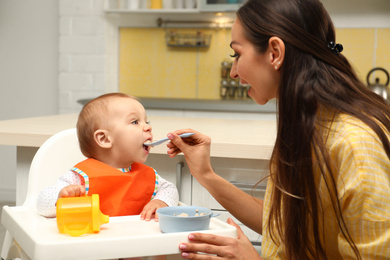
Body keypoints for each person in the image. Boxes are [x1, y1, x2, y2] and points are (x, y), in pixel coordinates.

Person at [166, 0, 390, 259]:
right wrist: (205, 174)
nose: (233, 72)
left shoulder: (355, 146)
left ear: (274, 52)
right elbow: (286, 228)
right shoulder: (308, 124)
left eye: (237, 54)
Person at [37, 93, 179, 222]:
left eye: (146, 122)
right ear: (104, 139)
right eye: (135, 122)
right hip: (94, 245)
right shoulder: (80, 178)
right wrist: (61, 198)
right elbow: (42, 202)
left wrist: (161, 202)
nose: (148, 128)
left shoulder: (149, 176)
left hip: (137, 245)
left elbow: (170, 189)